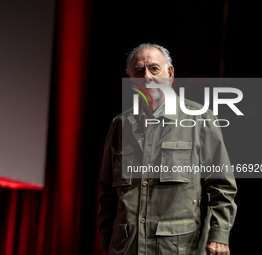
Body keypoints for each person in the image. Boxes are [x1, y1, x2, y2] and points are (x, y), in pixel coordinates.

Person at [97, 43, 237, 255]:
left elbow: (221, 185)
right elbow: (108, 194)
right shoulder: (119, 125)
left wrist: (219, 235)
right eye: (139, 71)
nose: (147, 77)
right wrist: (106, 243)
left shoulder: (200, 119)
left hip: (177, 249)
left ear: (169, 74)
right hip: (126, 248)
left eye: (154, 69)